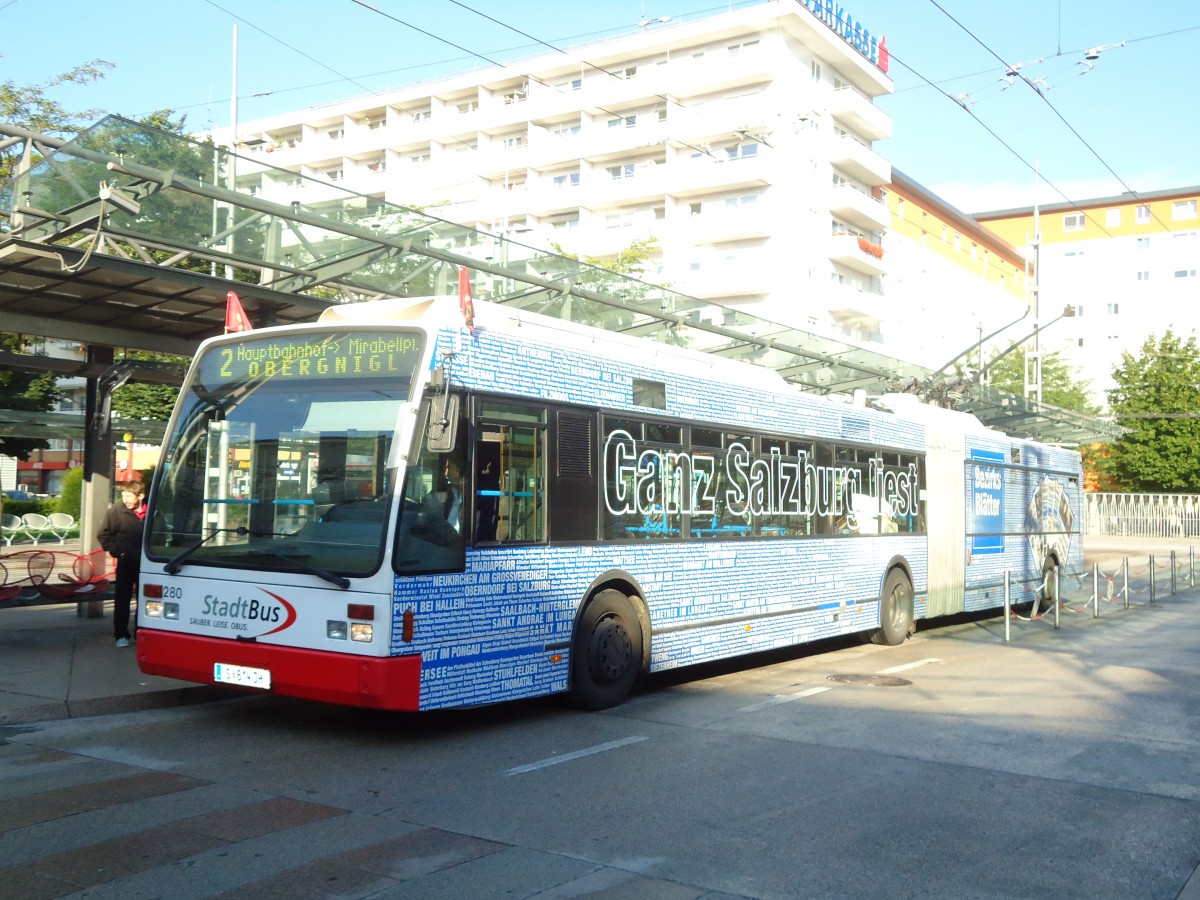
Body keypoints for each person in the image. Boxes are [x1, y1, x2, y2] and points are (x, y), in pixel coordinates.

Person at [97, 480, 146, 648]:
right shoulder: (116, 511)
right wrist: (119, 551)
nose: (125, 499)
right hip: (126, 561)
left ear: (140, 496)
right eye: (123, 495)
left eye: (128, 496)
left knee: (145, 599)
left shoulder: (152, 511)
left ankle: (141, 632)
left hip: (147, 563)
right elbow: (103, 535)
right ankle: (121, 634)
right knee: (122, 598)